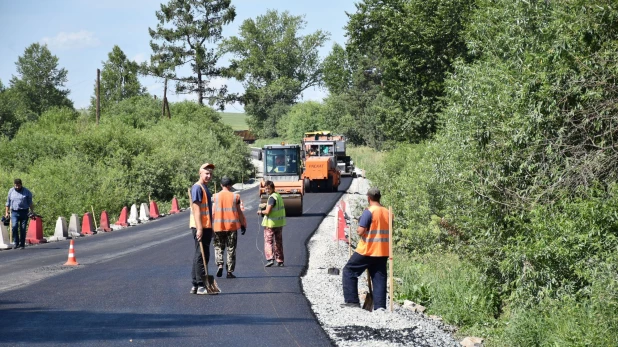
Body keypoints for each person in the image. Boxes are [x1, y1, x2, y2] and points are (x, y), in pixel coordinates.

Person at [341, 187, 391, 310]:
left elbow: (361, 231)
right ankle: (380, 307)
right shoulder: (388, 212)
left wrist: (359, 229)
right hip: (383, 251)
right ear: (379, 197)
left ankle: (352, 301)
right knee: (379, 278)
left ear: (368, 198)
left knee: (349, 271)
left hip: (367, 250)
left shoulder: (369, 212)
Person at [212, 176, 247, 279]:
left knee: (218, 247)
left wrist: (210, 226)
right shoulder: (235, 197)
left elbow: (213, 212)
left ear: (221, 185)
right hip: (232, 227)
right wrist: (243, 223)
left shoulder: (215, 197)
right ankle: (229, 272)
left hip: (218, 226)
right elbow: (239, 212)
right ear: (230, 185)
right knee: (231, 248)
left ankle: (220, 264)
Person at [189, 163, 215, 295]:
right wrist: (200, 228)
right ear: (200, 173)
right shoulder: (197, 188)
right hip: (200, 226)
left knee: (200, 254)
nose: (209, 176)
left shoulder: (205, 188)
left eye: (210, 173)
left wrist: (211, 227)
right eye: (206, 173)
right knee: (201, 255)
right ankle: (200, 285)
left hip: (206, 226)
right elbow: (196, 209)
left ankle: (194, 284)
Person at [257, 180, 286, 267]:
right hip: (279, 223)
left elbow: (268, 211)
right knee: (278, 242)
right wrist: (266, 204)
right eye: (266, 189)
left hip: (270, 224)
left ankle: (270, 259)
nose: (267, 190)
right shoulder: (278, 196)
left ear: (273, 188)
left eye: (268, 189)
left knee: (268, 241)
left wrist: (260, 211)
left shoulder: (272, 198)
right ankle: (280, 260)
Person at [4, 179, 34, 250]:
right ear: (14, 185)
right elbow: (7, 202)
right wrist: (6, 212)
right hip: (14, 212)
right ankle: (16, 243)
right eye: (16, 185)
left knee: (23, 228)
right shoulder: (11, 191)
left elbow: (30, 203)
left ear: (21, 184)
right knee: (14, 226)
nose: (17, 187)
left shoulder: (27, 192)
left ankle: (22, 244)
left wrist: (32, 211)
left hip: (24, 212)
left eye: (18, 185)